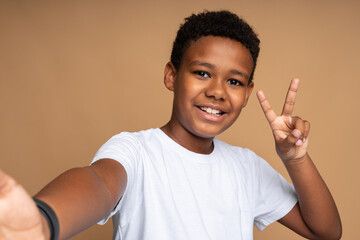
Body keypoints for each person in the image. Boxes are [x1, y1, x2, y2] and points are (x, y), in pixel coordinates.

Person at [0, 10, 342, 240]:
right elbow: (99, 184)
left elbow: (325, 231)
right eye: (202, 73)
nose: (217, 92)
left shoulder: (247, 167)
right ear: (171, 75)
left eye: (235, 81)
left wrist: (295, 159)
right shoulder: (136, 150)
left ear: (248, 93)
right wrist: (43, 219)